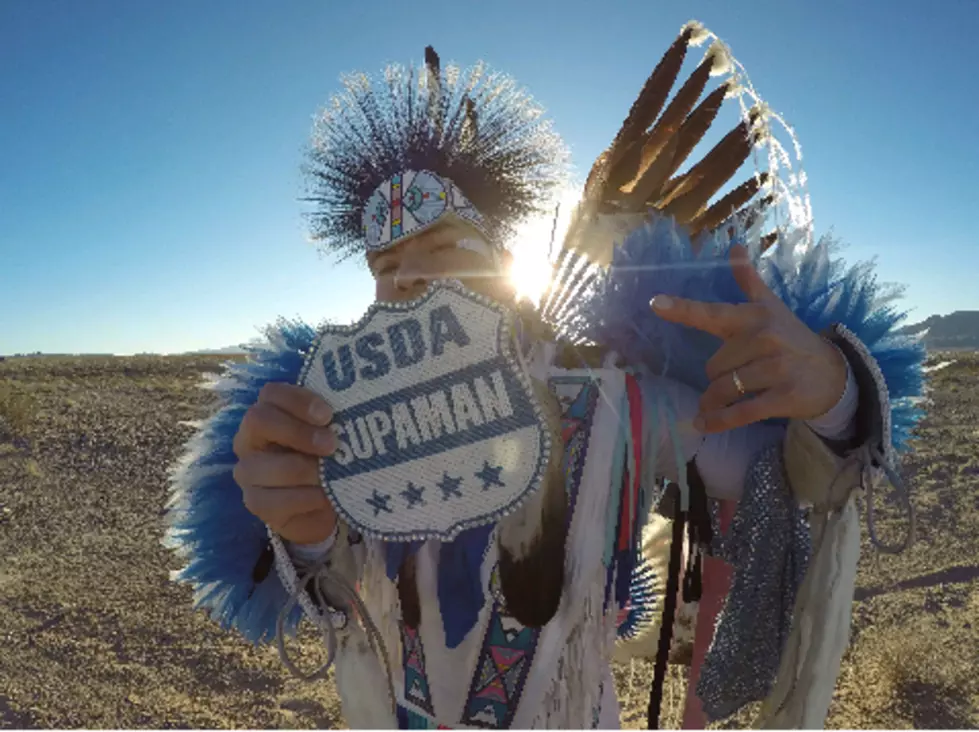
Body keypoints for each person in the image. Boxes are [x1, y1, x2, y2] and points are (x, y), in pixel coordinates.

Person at [165, 22, 923, 729]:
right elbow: (336, 589)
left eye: (443, 248)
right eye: (386, 267)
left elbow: (780, 477)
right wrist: (299, 534)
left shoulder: (610, 397)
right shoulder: (345, 422)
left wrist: (833, 393)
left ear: (503, 264)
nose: (407, 279)